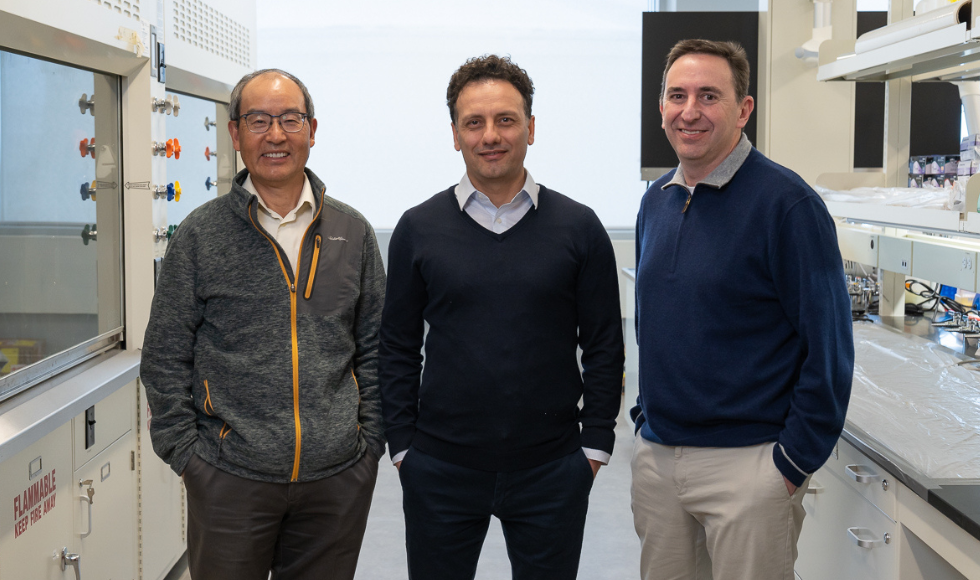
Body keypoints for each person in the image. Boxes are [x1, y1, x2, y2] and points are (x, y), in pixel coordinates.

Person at [379, 54, 625, 580]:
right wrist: (403, 448)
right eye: (474, 122)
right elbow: (397, 345)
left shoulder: (580, 228)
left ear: (531, 128)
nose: (490, 135)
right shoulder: (417, 229)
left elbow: (604, 344)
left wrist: (595, 446)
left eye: (506, 120)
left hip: (553, 469)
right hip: (440, 469)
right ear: (455, 134)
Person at [140, 68, 386, 580]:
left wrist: (368, 446)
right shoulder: (200, 235)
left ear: (312, 130)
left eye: (290, 119)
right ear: (235, 133)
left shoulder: (352, 232)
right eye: (258, 120)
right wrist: (189, 456)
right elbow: (164, 355)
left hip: (336, 479)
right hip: (229, 479)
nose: (276, 135)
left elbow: (375, 348)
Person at [631, 39, 853, 580]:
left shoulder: (788, 205)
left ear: (743, 108)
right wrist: (643, 421)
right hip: (660, 460)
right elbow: (655, 325)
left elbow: (830, 349)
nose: (690, 111)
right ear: (660, 106)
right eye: (677, 95)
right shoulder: (656, 200)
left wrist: (790, 464)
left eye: (709, 96)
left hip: (749, 465)